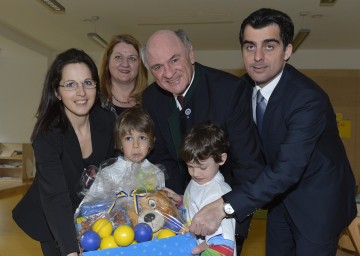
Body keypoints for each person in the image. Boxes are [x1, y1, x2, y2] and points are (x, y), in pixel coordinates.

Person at [189, 8, 357, 256]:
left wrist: (223, 206)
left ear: (287, 50)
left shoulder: (307, 100)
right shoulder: (244, 87)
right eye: (249, 47)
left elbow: (286, 170)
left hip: (319, 204)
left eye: (269, 46)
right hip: (280, 200)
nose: (257, 57)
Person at [141, 29, 263, 253]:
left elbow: (248, 167)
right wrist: (177, 213)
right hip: (181, 219)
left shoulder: (229, 91)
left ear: (191, 54)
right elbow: (163, 158)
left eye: (174, 60)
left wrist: (232, 229)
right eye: (157, 67)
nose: (168, 73)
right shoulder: (151, 99)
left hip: (226, 217)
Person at [12, 48, 116, 256]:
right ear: (57, 92)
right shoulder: (47, 135)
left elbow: (111, 172)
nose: (81, 92)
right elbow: (55, 196)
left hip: (91, 217)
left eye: (88, 82)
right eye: (70, 85)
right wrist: (70, 249)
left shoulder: (106, 121)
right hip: (54, 221)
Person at [163, 121, 236, 256]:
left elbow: (224, 245)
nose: (195, 173)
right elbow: (196, 203)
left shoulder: (220, 194)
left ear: (221, 158)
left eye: (202, 167)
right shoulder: (199, 180)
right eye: (190, 166)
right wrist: (180, 200)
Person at [99, 34, 148, 116]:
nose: (125, 64)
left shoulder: (151, 103)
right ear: (108, 62)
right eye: (118, 57)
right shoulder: (95, 103)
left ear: (140, 65)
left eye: (132, 58)